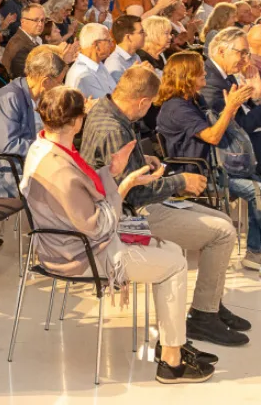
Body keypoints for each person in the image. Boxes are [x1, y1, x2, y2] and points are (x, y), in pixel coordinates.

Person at [22, 86, 216, 384]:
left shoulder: (43, 147)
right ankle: (171, 363)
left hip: (73, 243)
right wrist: (123, 185)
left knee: (174, 251)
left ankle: (171, 342)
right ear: (77, 121)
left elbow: (82, 192)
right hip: (80, 254)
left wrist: (111, 171)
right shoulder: (58, 167)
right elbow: (97, 225)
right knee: (175, 264)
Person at [81, 66, 251, 346]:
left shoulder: (105, 110)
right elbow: (133, 194)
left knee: (221, 221)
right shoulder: (113, 127)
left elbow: (117, 170)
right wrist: (180, 181)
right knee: (222, 231)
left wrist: (141, 158)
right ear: (143, 102)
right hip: (127, 216)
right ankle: (204, 315)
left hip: (128, 205)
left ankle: (210, 306)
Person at [156, 51, 261, 273]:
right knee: (258, 191)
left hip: (217, 166)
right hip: (198, 173)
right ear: (187, 76)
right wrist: (231, 107)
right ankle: (255, 252)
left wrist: (231, 108)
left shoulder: (193, 98)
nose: (205, 73)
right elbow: (212, 136)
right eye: (199, 72)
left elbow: (217, 126)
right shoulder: (176, 107)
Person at [197, 28, 261, 269]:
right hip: (222, 160)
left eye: (248, 53)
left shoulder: (227, 76)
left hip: (240, 152)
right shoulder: (210, 80)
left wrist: (255, 101)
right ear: (221, 50)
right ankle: (256, 251)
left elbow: (242, 115)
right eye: (242, 53)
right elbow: (236, 127)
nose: (246, 60)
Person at [0, 46, 67, 197]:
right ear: (45, 81)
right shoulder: (10, 98)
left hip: (29, 165)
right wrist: (47, 147)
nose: (62, 86)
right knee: (66, 188)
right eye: (59, 81)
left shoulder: (36, 96)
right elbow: (7, 145)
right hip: (7, 174)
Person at [65, 23, 117, 99]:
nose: (112, 45)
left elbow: (115, 90)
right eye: (109, 41)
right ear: (96, 45)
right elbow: (107, 105)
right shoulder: (83, 75)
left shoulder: (98, 65)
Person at [1, 4, 45, 78]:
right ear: (23, 21)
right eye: (35, 20)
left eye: (43, 20)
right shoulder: (18, 44)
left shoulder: (37, 39)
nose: (40, 24)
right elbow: (30, 78)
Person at [104, 15, 145, 82]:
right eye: (141, 32)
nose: (145, 35)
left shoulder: (135, 56)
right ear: (128, 37)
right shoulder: (114, 64)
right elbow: (119, 91)